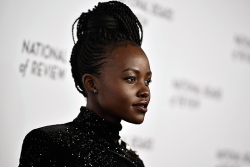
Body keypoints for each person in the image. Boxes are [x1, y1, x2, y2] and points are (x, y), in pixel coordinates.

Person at [18, 1, 152, 166]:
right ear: (91, 83)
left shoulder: (134, 160)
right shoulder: (50, 143)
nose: (145, 90)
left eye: (147, 81)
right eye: (131, 78)